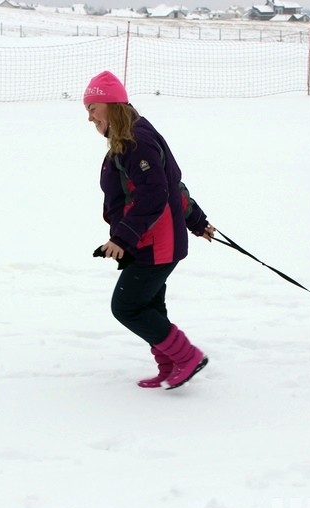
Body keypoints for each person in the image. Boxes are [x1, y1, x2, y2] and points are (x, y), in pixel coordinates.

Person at [84, 71, 215, 389]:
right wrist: (196, 221)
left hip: (156, 244)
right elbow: (173, 186)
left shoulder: (136, 141)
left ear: (112, 105)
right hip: (147, 242)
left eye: (93, 108)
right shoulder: (128, 139)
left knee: (126, 306)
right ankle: (169, 365)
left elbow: (155, 194)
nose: (89, 118)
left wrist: (122, 237)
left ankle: (187, 357)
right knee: (150, 306)